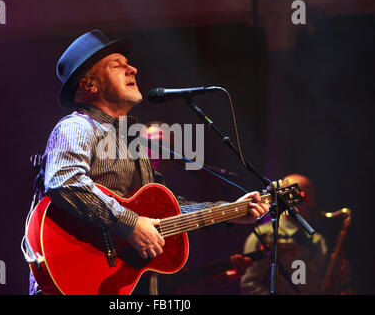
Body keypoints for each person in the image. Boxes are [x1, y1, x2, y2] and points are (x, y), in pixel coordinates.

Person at [30, 29, 269, 295]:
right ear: (89, 85)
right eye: (116, 65)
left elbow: (164, 211)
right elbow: (65, 181)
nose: (132, 69)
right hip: (74, 278)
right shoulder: (78, 127)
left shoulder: (132, 139)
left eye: (128, 64)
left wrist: (232, 211)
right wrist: (129, 223)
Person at [239, 174, 328, 294]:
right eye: (305, 197)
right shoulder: (263, 236)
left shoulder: (317, 240)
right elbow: (249, 285)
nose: (312, 205)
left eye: (313, 198)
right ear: (287, 199)